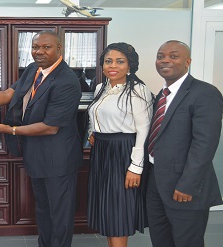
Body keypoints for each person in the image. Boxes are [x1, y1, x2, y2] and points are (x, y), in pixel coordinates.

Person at [0, 30, 83, 247]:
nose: (39, 51)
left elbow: (50, 127)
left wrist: (11, 130)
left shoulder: (67, 81)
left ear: (59, 49)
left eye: (46, 47)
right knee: (43, 210)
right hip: (35, 154)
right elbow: (7, 95)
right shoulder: (34, 69)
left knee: (59, 215)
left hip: (58, 159)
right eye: (35, 47)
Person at [146, 40, 222, 247]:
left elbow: (204, 145)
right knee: (160, 240)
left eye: (173, 56)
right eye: (160, 56)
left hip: (184, 187)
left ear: (187, 62)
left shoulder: (205, 93)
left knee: (187, 242)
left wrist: (187, 185)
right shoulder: (160, 95)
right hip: (156, 184)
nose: (165, 60)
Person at [86, 42, 153, 247]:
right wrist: (92, 132)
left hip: (123, 153)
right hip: (102, 152)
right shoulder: (100, 88)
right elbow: (95, 116)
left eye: (119, 61)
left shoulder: (138, 90)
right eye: (108, 61)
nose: (112, 66)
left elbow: (144, 130)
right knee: (107, 209)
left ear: (130, 65)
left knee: (117, 211)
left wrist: (135, 167)